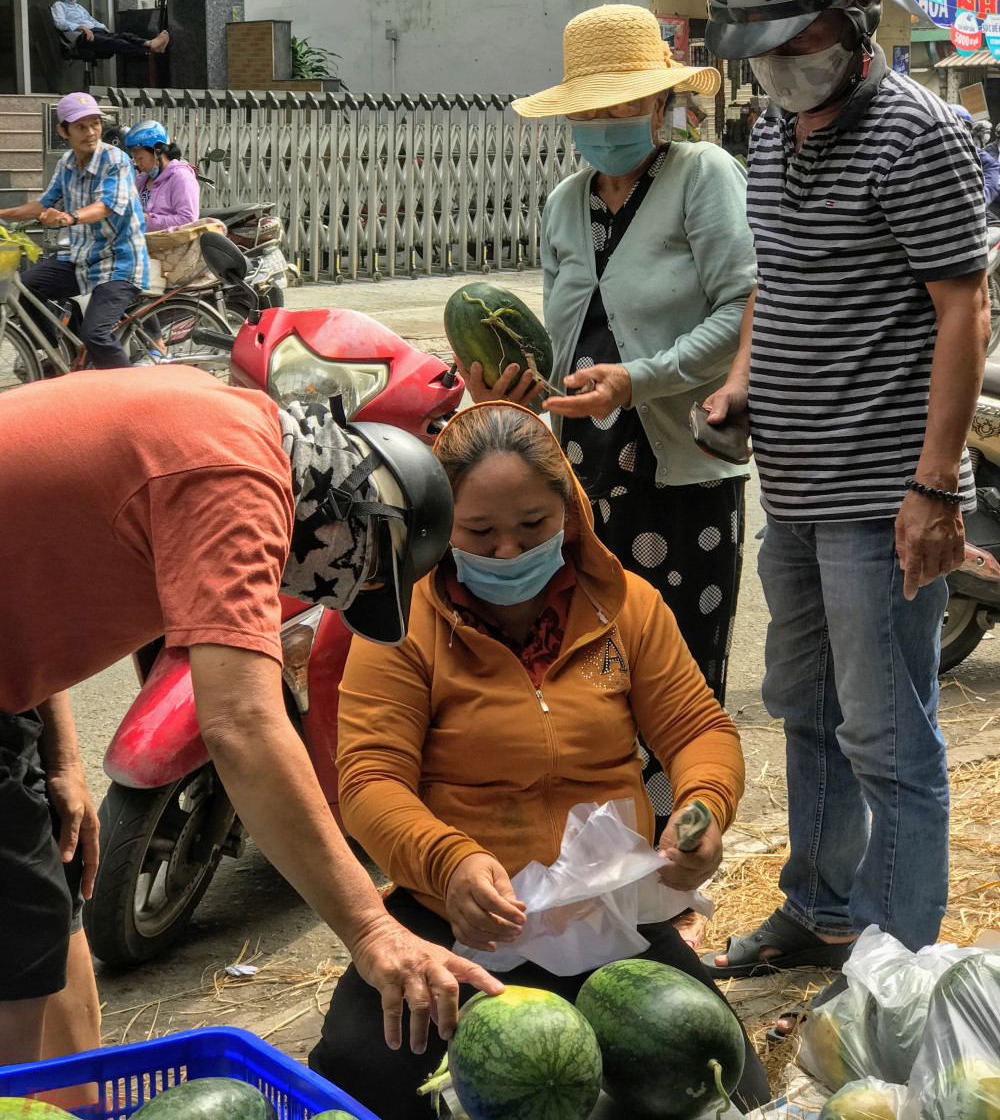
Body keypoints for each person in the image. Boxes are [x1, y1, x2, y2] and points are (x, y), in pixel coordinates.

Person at [0, 366, 503, 1067]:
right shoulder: (235, 480)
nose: (325, 588)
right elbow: (240, 723)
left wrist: (60, 758)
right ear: (359, 509)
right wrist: (370, 928)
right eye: (356, 572)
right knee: (14, 965)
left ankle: (71, 1101)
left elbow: (26, 563)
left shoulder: (227, 421)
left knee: (46, 922)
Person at [309, 401, 769, 1120]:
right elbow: (369, 781)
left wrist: (703, 804)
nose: (506, 553)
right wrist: (449, 860)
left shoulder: (627, 607)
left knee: (722, 1081)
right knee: (359, 1073)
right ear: (440, 529)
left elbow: (699, 728)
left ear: (572, 514)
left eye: (532, 527)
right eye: (479, 532)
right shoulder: (400, 622)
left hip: (604, 914)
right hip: (452, 916)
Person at [699, 0, 990, 1027]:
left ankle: (899, 970)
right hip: (801, 486)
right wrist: (740, 378)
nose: (775, 72)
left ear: (856, 21)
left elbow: (961, 312)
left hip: (886, 494)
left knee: (888, 730)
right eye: (757, 55)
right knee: (803, 706)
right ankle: (819, 904)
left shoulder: (920, 134)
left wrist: (932, 487)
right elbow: (775, 278)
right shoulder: (773, 131)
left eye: (795, 47)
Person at [461, 3, 756, 837]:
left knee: (681, 679)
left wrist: (639, 379)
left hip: (679, 466)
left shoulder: (704, 176)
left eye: (622, 106)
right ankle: (598, 862)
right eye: (589, 110)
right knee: (587, 675)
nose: (605, 123)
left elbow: (742, 310)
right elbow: (561, 336)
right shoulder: (563, 202)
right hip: (580, 470)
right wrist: (515, 388)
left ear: (659, 106)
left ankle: (679, 877)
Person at [3, 92, 149, 369]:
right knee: (25, 285)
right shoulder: (66, 163)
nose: (91, 132)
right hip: (79, 258)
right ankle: (53, 352)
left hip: (118, 261)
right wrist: (4, 215)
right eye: (80, 126)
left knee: (95, 334)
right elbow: (43, 204)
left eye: (94, 124)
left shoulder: (115, 159)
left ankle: (132, 396)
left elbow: (105, 206)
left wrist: (67, 218)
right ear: (63, 131)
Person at [51, 0, 169, 62]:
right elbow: (59, 22)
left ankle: (150, 44)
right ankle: (150, 49)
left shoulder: (78, 7)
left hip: (96, 32)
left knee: (125, 36)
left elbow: (90, 19)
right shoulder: (59, 5)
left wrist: (103, 27)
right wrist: (82, 28)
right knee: (117, 43)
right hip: (82, 37)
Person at [125, 121, 202, 230]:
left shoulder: (181, 178)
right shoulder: (142, 179)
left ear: (158, 151)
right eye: (135, 159)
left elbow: (188, 220)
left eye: (140, 158)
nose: (138, 164)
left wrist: (145, 219)